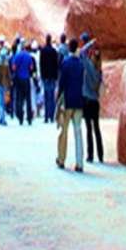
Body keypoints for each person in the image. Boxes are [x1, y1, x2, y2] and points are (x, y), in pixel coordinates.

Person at [56, 38, 85, 172]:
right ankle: (80, 163)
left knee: (64, 130)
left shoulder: (65, 63)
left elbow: (62, 82)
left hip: (67, 101)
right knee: (78, 132)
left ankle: (61, 159)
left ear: (69, 48)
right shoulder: (81, 64)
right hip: (79, 101)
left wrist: (58, 97)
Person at [82, 41, 104, 163]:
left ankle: (90, 155)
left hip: (87, 101)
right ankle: (100, 155)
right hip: (95, 102)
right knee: (97, 129)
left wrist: (90, 43)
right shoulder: (99, 71)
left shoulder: (89, 67)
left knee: (88, 129)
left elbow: (81, 53)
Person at [11, 39, 36, 125]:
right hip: (27, 79)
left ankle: (20, 117)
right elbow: (31, 68)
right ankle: (29, 118)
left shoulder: (17, 56)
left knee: (19, 99)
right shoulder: (29, 56)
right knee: (28, 99)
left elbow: (14, 67)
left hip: (19, 78)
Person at [39, 34, 60, 123]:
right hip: (52, 76)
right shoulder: (54, 51)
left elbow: (41, 64)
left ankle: (46, 117)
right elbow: (56, 65)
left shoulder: (43, 51)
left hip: (45, 76)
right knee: (52, 96)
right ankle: (52, 116)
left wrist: (42, 75)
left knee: (46, 96)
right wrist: (56, 76)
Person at [0, 47, 12, 126]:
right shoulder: (6, 64)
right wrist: (9, 84)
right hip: (5, 85)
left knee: (1, 102)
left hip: (0, 84)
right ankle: (3, 118)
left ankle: (1, 118)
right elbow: (9, 75)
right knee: (4, 102)